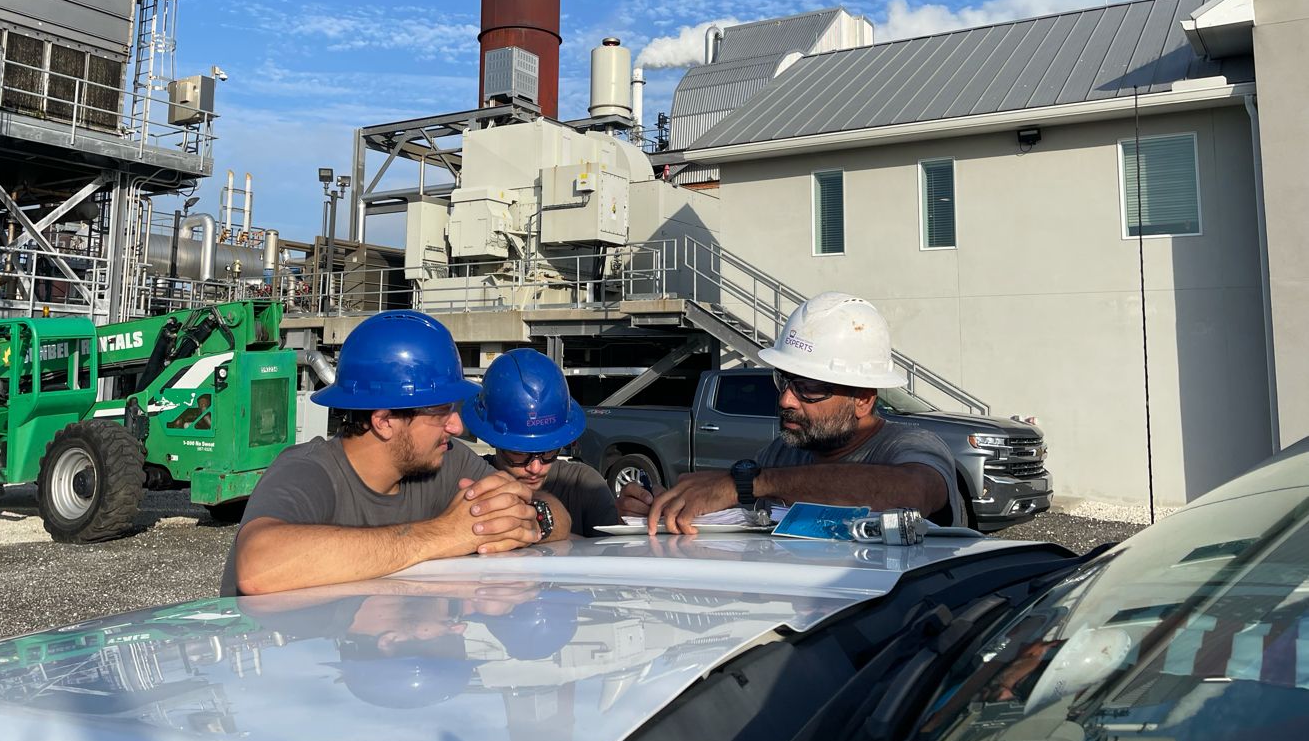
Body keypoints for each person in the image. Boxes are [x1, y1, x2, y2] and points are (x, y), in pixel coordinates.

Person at [221, 310, 568, 596]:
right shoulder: (308, 471)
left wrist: (530, 517)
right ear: (385, 421)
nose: (457, 426)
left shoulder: (444, 462)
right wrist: (443, 534)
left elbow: (556, 515)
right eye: (440, 412)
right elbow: (257, 567)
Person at [621, 292, 964, 535]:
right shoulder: (784, 453)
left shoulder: (911, 446)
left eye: (810, 388)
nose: (786, 400)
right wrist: (662, 508)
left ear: (862, 399)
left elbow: (913, 494)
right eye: (784, 381)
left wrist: (752, 483)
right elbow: (731, 517)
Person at [460, 348, 620, 537]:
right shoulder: (466, 480)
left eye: (548, 452)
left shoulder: (585, 486)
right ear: (495, 442)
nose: (536, 468)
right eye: (519, 453)